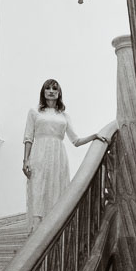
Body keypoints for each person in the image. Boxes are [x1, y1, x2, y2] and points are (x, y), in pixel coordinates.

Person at [23, 78, 96, 228]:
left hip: (58, 157)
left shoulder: (64, 116)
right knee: (38, 188)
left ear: (59, 93)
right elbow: (28, 137)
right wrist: (26, 160)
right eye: (48, 88)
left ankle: (54, 227)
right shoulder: (34, 112)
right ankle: (36, 229)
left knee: (56, 190)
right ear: (43, 92)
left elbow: (76, 141)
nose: (51, 91)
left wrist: (94, 136)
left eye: (54, 89)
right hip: (39, 154)